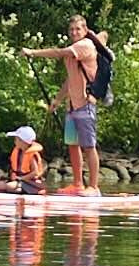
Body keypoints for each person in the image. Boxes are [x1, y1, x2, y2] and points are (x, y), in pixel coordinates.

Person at [24, 15, 102, 194]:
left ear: (85, 30)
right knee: (72, 145)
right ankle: (77, 184)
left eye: (78, 29)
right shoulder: (73, 51)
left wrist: (33, 52)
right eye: (71, 29)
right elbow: (70, 80)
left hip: (85, 105)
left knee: (88, 146)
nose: (74, 32)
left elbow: (59, 53)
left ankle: (93, 187)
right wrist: (57, 100)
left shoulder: (85, 45)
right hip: (71, 106)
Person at [0, 125, 47, 194]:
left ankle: (30, 190)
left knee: (9, 186)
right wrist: (13, 176)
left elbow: (35, 172)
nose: (14, 141)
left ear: (23, 141)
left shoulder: (32, 155)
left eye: (16, 139)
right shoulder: (18, 152)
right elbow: (14, 170)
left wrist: (21, 178)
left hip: (31, 181)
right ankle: (16, 189)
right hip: (20, 180)